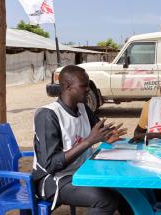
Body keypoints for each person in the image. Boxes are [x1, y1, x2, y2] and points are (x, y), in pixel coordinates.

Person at [32, 65, 129, 215]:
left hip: (81, 172)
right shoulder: (48, 115)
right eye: (84, 85)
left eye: (88, 85)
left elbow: (99, 132)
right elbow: (51, 164)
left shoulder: (83, 108)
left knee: (125, 190)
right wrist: (89, 141)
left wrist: (108, 136)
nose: (88, 89)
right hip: (53, 180)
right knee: (106, 200)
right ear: (67, 86)